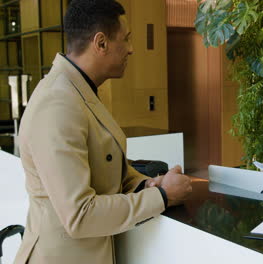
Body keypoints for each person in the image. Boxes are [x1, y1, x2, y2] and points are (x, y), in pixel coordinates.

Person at [14, 1, 192, 263]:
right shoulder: (58, 103)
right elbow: (80, 215)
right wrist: (162, 197)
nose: (131, 50)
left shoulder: (79, 91)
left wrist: (147, 183)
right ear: (101, 43)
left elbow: (104, 165)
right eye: (126, 39)